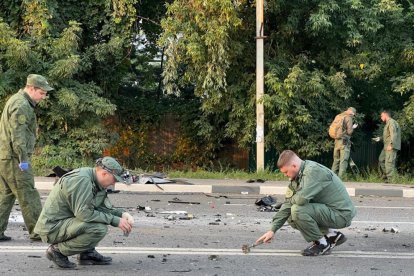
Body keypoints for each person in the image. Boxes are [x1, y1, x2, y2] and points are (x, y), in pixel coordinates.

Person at [34, 157, 134, 269]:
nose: (113, 183)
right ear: (104, 174)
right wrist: (114, 220)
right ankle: (57, 251)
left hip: (64, 223)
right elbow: (85, 214)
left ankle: (87, 254)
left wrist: (122, 215)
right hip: (52, 228)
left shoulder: (95, 180)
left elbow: (100, 208)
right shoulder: (82, 180)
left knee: (99, 219)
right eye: (114, 179)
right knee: (98, 228)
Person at [256, 150, 356, 256]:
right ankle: (331, 235)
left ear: (294, 166)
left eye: (286, 172)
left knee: (297, 210)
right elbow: (287, 204)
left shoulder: (313, 172)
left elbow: (300, 200)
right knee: (291, 213)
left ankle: (322, 244)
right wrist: (272, 230)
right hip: (330, 211)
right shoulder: (298, 175)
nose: (285, 175)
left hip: (341, 214)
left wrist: (291, 200)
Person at [0, 74, 54, 242]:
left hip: (6, 157)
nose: (44, 97)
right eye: (42, 93)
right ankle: (39, 232)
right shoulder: (21, 105)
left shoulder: (16, 100)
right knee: (28, 194)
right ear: (32, 88)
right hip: (15, 159)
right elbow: (18, 135)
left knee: (6, 195)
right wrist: (23, 159)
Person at [373, 110, 401, 183]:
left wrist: (391, 145)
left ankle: (391, 180)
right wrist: (380, 138)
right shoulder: (388, 123)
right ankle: (386, 176)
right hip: (386, 146)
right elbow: (388, 135)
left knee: (389, 163)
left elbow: (394, 134)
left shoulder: (391, 122)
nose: (381, 117)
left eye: (382, 116)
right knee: (381, 160)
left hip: (390, 146)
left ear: (386, 115)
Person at [330, 107, 358, 178]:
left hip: (336, 141)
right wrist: (353, 127)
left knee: (336, 160)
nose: (353, 116)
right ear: (352, 112)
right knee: (343, 160)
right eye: (353, 114)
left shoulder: (339, 116)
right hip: (344, 142)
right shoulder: (349, 118)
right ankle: (341, 178)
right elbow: (349, 132)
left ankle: (332, 178)